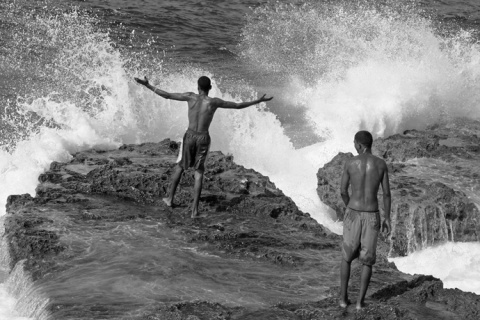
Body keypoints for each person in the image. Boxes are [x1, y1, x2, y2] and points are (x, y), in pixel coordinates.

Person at [134, 75, 273, 218]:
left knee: (180, 167)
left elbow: (167, 95)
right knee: (199, 172)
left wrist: (148, 85)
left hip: (189, 136)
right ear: (210, 88)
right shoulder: (214, 102)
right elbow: (237, 106)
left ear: (197, 87)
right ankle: (194, 211)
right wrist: (258, 100)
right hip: (203, 138)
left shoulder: (190, 97)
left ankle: (170, 199)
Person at [339, 130, 391, 310]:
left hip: (352, 212)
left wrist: (348, 207)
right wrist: (387, 218)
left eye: (354, 143)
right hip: (371, 214)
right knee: (367, 261)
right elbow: (386, 194)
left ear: (359, 145)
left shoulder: (350, 163)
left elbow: (343, 191)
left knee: (347, 258)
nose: (354, 146)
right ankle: (360, 303)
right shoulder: (381, 164)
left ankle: (343, 299)